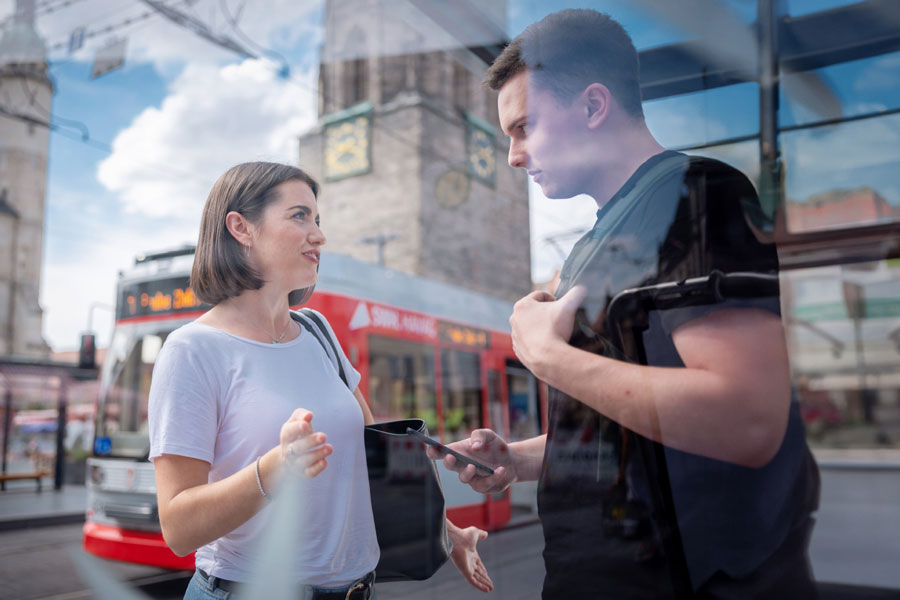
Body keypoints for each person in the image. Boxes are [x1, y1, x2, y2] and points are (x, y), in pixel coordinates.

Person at [431, 10, 819, 599]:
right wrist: (520, 457)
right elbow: (632, 427)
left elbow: (748, 419)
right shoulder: (599, 240)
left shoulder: (696, 195)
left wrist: (545, 354)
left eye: (524, 127)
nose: (513, 155)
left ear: (592, 106)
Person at [148, 162, 494, 599]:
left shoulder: (316, 331)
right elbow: (178, 528)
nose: (319, 234)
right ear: (241, 227)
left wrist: (448, 533)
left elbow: (372, 456)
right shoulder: (192, 350)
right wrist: (274, 470)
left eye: (317, 219)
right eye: (299, 216)